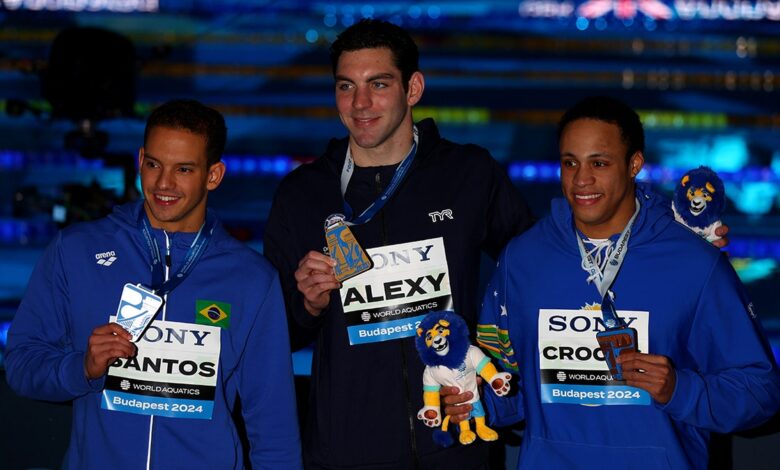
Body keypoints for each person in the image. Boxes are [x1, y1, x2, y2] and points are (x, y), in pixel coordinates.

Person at [263, 19, 534, 468]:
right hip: (348, 451)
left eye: (379, 84)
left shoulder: (467, 174)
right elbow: (278, 336)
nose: (360, 103)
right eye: (346, 86)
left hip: (456, 444)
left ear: (413, 89)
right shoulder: (303, 193)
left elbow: (534, 274)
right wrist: (306, 305)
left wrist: (495, 368)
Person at [455, 95, 780, 468]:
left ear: (634, 164)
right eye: (569, 163)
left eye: (600, 163)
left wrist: (680, 389)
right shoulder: (523, 259)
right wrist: (477, 401)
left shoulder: (694, 262)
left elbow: (762, 391)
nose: (581, 180)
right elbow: (512, 385)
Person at [5, 99, 302, 469]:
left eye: (184, 169)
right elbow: (21, 364)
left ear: (214, 175)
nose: (164, 184)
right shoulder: (77, 251)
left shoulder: (250, 279)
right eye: (154, 164)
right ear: (140, 158)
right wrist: (81, 368)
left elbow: (273, 425)